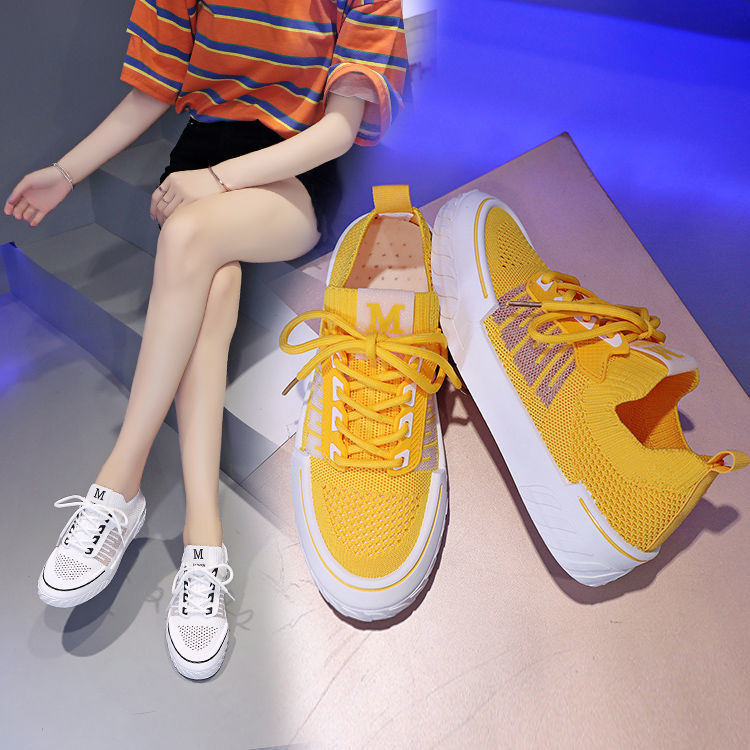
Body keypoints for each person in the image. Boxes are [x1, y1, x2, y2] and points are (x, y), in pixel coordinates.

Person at [4, 0, 407, 680]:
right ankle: (204, 540)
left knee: (190, 235)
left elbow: (339, 130)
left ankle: (119, 482)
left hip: (293, 168)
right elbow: (151, 92)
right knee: (214, 287)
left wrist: (217, 183)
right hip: (201, 155)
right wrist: (65, 173)